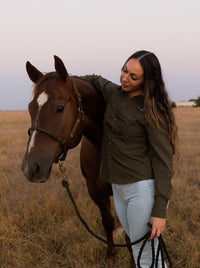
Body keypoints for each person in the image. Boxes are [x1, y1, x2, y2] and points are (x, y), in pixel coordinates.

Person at [82, 50, 177, 267]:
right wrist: (65, 81)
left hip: (141, 190)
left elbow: (163, 162)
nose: (125, 78)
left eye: (134, 77)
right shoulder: (114, 93)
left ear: (147, 80)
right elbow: (95, 80)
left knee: (146, 254)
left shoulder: (151, 109)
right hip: (119, 188)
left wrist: (160, 211)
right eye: (125, 70)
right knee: (138, 248)